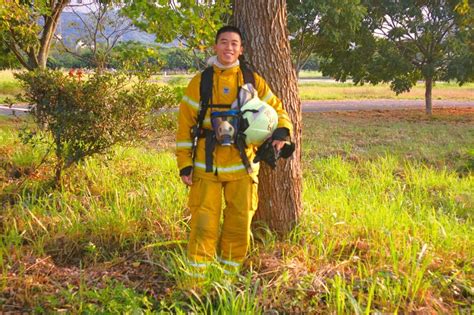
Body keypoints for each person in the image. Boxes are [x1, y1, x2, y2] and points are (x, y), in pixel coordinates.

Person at [176, 25, 293, 276]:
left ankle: (229, 276)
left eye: (234, 44)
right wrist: (184, 164)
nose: (229, 47)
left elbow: (277, 108)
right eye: (224, 42)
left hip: (243, 163)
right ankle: (198, 277)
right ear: (215, 46)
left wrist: (282, 130)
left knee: (240, 219)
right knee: (203, 220)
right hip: (206, 166)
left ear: (240, 50)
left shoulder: (252, 80)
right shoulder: (201, 81)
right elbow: (185, 125)